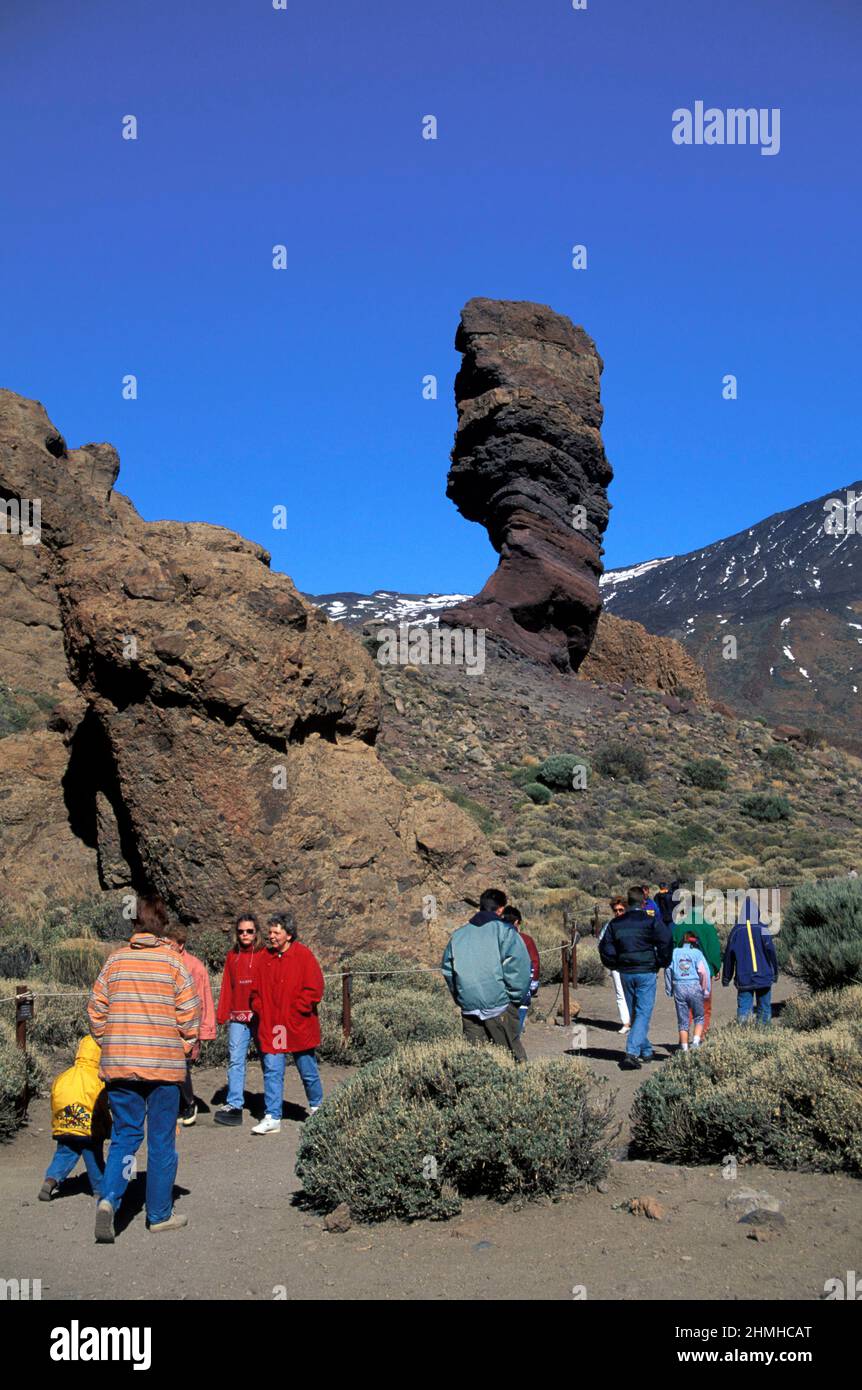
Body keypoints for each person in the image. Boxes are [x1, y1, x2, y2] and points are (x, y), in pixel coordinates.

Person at [87, 894, 200, 1243]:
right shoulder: (173, 963)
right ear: (162, 925)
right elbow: (189, 1016)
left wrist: (113, 1043)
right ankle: (159, 1214)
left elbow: (95, 1011)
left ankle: (109, 1199)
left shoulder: (116, 961)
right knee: (162, 1140)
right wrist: (179, 1049)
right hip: (164, 1068)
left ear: (134, 923)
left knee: (125, 1137)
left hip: (121, 1067)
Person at [248, 912, 325, 1134]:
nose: (271, 936)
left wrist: (299, 1009)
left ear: (288, 935)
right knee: (272, 1070)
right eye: (270, 932)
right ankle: (272, 1116)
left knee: (307, 1068)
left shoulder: (303, 956)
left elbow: (315, 988)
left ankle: (318, 1108)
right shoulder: (264, 957)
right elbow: (254, 991)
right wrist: (260, 1007)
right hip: (273, 1024)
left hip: (298, 1024)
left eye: (276, 932)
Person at [441, 888, 532, 1061]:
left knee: (476, 1062)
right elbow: (518, 967)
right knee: (512, 1057)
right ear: (500, 909)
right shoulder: (505, 932)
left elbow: (448, 970)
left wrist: (461, 997)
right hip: (500, 1005)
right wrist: (514, 998)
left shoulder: (458, 935)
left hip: (469, 1006)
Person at [598, 885, 673, 1069]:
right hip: (646, 971)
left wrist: (614, 963)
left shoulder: (616, 924)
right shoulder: (651, 921)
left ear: (628, 902)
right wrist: (661, 961)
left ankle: (646, 1050)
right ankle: (631, 1053)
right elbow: (666, 940)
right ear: (643, 901)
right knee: (643, 1013)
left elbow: (605, 947)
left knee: (635, 1013)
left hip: (626, 972)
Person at [40, 1036, 109, 1202]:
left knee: (64, 1153)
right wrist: (108, 1127)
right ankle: (100, 1189)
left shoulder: (64, 1076)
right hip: (88, 1128)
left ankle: (50, 1181)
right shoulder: (98, 1079)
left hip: (64, 1124)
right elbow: (102, 1107)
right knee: (93, 1157)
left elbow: (54, 1101)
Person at [213, 913, 267, 1127]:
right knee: (236, 1060)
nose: (245, 935)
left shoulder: (264, 954)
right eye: (241, 931)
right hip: (237, 1017)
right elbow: (227, 985)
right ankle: (235, 1103)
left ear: (256, 933)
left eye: (249, 931)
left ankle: (271, 1106)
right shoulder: (232, 956)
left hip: (260, 1016)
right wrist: (222, 1013)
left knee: (269, 1060)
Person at [163, 922, 216, 1126]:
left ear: (181, 945)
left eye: (170, 944)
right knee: (169, 1068)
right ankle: (176, 1106)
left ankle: (189, 1103)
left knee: (182, 1065)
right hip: (166, 1025)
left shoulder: (196, 967)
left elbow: (205, 1000)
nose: (166, 948)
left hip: (188, 1026)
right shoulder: (163, 963)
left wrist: (206, 1029)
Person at [722, 894, 778, 1025]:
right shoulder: (763, 929)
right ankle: (765, 1038)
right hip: (764, 977)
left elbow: (729, 957)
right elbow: (771, 953)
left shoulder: (736, 931)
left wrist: (727, 977)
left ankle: (743, 1038)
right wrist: (774, 973)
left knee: (744, 1011)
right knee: (764, 1010)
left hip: (744, 978)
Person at [672, 905, 721, 1037]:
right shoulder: (707, 925)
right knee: (704, 1008)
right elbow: (714, 948)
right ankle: (701, 1038)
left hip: (683, 975)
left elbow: (672, 947)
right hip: (703, 973)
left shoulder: (679, 926)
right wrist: (715, 967)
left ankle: (684, 1041)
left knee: (685, 1008)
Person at [665, 931, 711, 1051]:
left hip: (679, 986)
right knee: (699, 1017)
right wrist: (706, 990)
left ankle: (684, 1049)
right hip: (694, 986)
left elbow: (668, 970)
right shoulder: (697, 953)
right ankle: (695, 1043)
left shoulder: (674, 953)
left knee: (683, 1020)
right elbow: (704, 972)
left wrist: (669, 989)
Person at [501, 905, 540, 1036]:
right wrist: (534, 982)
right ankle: (514, 1039)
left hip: (498, 985)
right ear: (517, 922)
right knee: (520, 1010)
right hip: (522, 985)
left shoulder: (494, 938)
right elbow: (534, 962)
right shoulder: (526, 940)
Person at [598, 896, 630, 1033]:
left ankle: (635, 1020)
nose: (618, 913)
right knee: (620, 993)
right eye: (616, 910)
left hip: (631, 963)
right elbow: (601, 943)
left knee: (632, 992)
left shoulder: (632, 924)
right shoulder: (609, 926)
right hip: (616, 964)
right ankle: (626, 1023)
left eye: (621, 910)